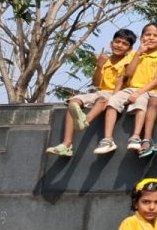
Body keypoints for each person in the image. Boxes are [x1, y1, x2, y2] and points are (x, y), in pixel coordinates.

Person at [47, 27, 135, 157]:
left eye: (124, 44)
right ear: (111, 43)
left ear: (130, 48)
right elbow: (96, 83)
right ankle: (66, 144)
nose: (119, 45)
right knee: (73, 102)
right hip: (100, 91)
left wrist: (114, 96)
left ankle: (86, 121)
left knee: (101, 101)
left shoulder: (129, 60)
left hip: (116, 93)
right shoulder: (105, 60)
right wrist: (99, 66)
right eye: (117, 42)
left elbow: (123, 80)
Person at [100, 23, 157, 155]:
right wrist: (138, 54)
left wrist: (138, 93)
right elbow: (128, 73)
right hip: (130, 88)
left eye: (155, 36)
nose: (151, 38)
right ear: (141, 38)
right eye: (147, 35)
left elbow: (156, 80)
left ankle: (136, 136)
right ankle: (107, 139)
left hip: (147, 91)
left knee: (140, 103)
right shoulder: (132, 54)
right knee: (112, 102)